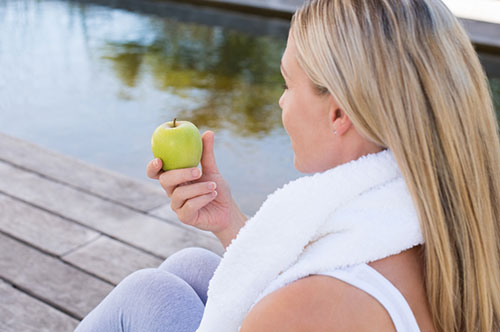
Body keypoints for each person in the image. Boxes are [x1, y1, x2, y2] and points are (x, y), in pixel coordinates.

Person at [75, 0, 500, 331]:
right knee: (192, 266)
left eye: (286, 83)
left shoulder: (306, 308)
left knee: (146, 294)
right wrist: (229, 222)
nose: (280, 100)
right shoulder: (442, 216)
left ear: (338, 114)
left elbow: (305, 301)